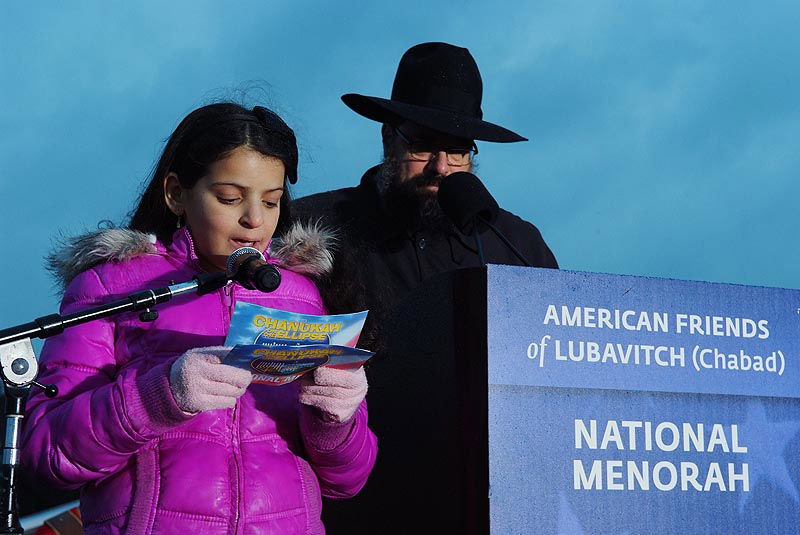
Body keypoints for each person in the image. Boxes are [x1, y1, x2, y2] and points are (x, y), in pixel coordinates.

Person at [21, 103, 377, 535]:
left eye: (272, 201)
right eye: (229, 198)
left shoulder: (302, 294)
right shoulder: (110, 286)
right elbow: (45, 451)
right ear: (176, 193)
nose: (255, 220)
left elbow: (347, 481)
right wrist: (158, 397)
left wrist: (336, 419)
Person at [292, 42, 558, 533]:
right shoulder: (310, 227)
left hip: (489, 502)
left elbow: (558, 367)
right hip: (355, 497)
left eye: (457, 149)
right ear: (388, 137)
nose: (441, 166)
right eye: (423, 146)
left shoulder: (516, 243)